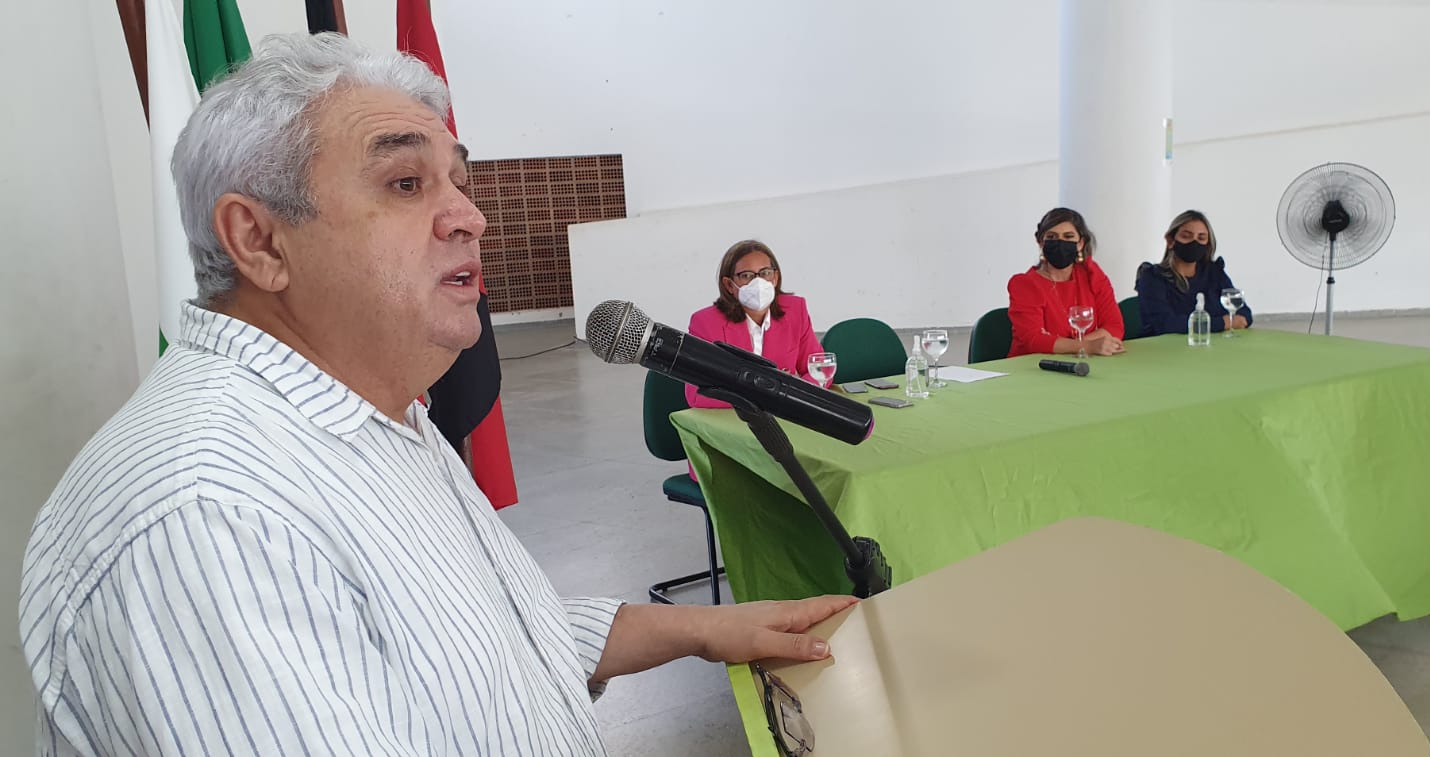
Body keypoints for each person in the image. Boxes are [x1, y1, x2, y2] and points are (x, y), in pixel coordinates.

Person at [18, 33, 855, 755]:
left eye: (457, 180)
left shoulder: (381, 409)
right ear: (260, 240)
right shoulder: (210, 516)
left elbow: (482, 642)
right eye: (405, 184)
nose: (469, 217)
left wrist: (704, 628)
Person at [686, 240, 827, 407]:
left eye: (765, 273)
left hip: (784, 414)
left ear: (775, 278)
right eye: (746, 276)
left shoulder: (795, 310)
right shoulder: (705, 323)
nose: (758, 282)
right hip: (733, 417)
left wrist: (795, 395)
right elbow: (696, 394)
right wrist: (766, 394)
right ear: (729, 285)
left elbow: (820, 368)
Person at [1007, 207, 1125, 358]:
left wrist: (1073, 346)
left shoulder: (1091, 274)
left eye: (1068, 237)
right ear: (1041, 242)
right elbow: (1034, 340)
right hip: (1031, 365)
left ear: (1080, 243)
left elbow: (1114, 326)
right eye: (1052, 237)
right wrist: (1087, 346)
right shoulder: (1024, 284)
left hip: (1080, 362)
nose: (1060, 242)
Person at [1135, 210, 1253, 337]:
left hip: (1213, 345)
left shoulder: (1214, 272)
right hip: (1165, 347)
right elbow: (1164, 325)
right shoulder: (1152, 277)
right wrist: (1222, 323)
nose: (1194, 242)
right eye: (1186, 236)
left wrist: (1208, 324)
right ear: (1170, 240)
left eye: (1201, 238)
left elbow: (1243, 314)